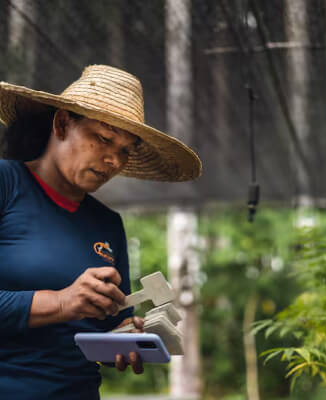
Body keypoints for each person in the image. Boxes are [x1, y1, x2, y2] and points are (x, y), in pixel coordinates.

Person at [0, 64, 201, 400]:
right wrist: (62, 302)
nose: (114, 161)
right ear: (62, 124)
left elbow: (109, 325)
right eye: (104, 139)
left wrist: (125, 339)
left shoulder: (108, 224)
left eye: (125, 150)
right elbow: (68, 306)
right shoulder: (7, 183)